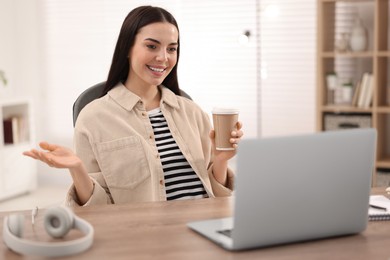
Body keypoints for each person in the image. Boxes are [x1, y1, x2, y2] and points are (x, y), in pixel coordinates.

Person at [23, 5, 243, 206]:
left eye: (171, 49)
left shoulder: (193, 112)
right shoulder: (93, 118)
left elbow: (217, 199)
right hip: (144, 238)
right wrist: (77, 169)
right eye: (152, 46)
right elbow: (98, 210)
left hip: (202, 230)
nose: (163, 57)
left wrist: (221, 160)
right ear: (127, 47)